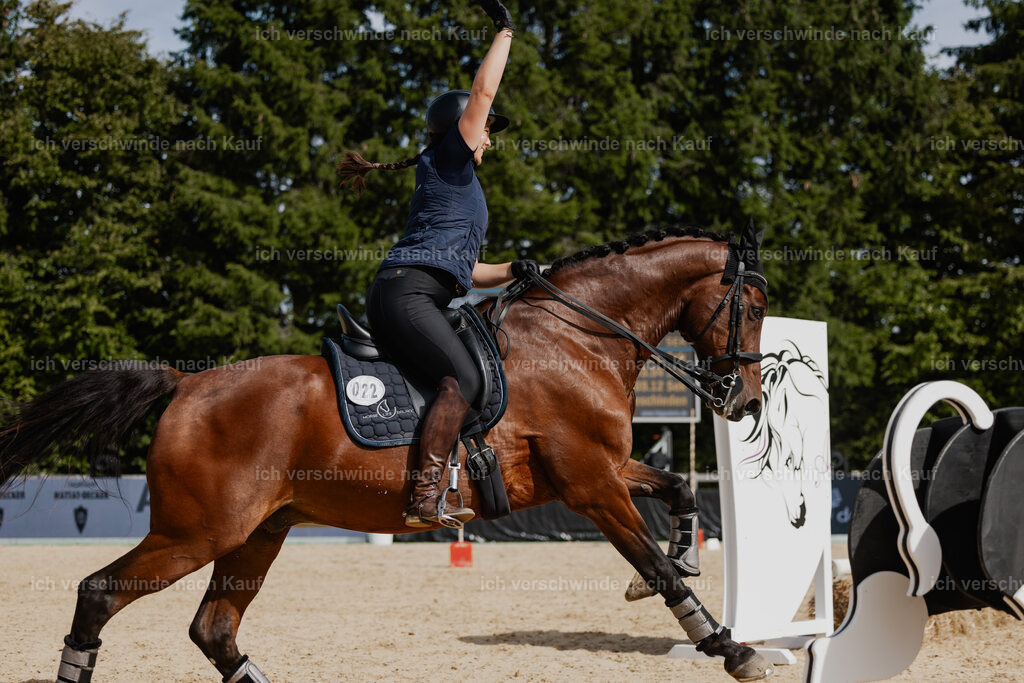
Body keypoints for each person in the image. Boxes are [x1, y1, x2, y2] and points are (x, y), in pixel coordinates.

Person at [337, 0, 537, 528]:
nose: (490, 137)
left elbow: (470, 274)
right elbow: (484, 92)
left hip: (408, 288)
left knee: (458, 374)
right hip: (410, 293)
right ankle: (425, 496)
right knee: (466, 378)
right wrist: (507, 32)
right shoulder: (450, 157)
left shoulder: (452, 181)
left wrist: (518, 270)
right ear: (462, 127)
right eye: (486, 129)